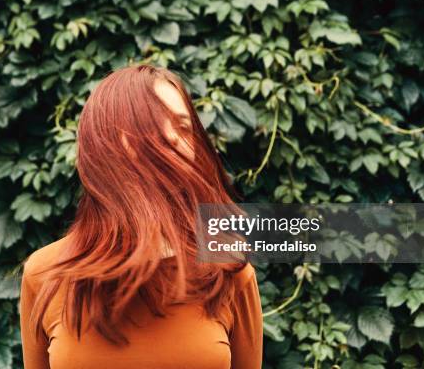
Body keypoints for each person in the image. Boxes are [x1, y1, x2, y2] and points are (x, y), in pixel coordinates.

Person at [19, 64, 263, 368]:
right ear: (103, 146)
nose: (173, 140)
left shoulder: (228, 269)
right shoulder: (45, 274)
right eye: (150, 128)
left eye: (183, 128)